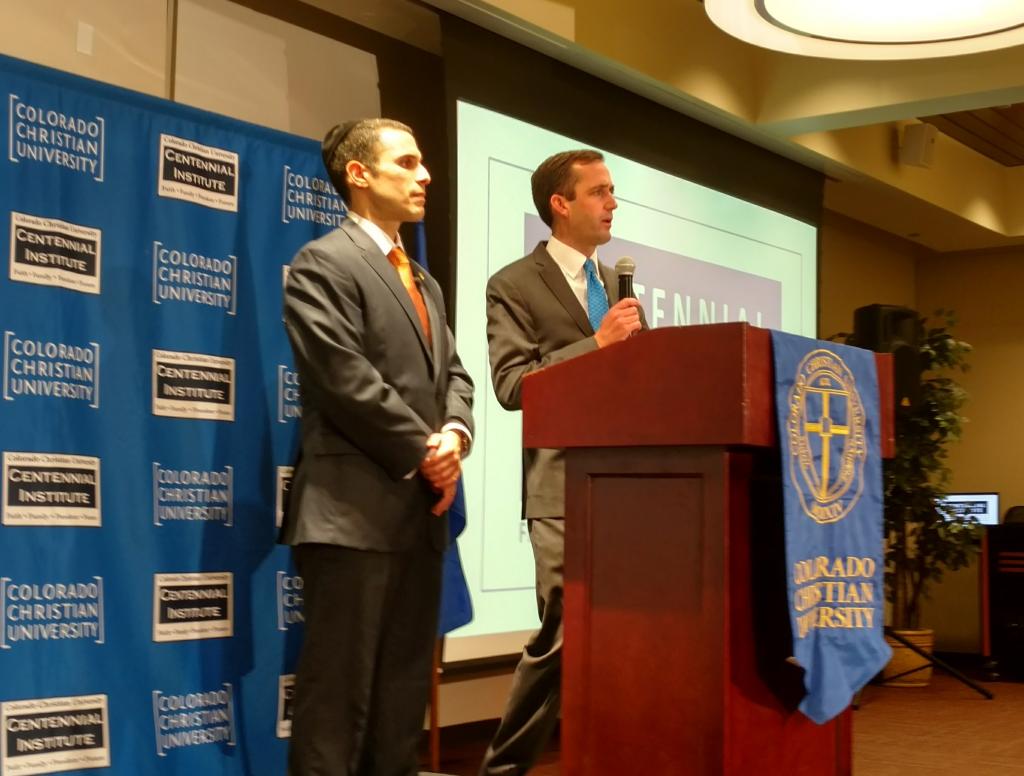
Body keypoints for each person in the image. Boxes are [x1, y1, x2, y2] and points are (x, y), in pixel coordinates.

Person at [281, 118, 474, 776]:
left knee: (398, 704)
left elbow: (455, 376)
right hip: (349, 517)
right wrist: (424, 447)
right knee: (337, 706)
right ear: (358, 175)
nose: (426, 176)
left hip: (418, 517)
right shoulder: (322, 263)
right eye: (408, 162)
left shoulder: (424, 280)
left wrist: (454, 434)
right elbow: (343, 377)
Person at [480, 149, 643, 774]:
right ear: (561, 203)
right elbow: (513, 385)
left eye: (612, 191)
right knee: (565, 633)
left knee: (627, 634)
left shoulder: (616, 287)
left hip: (630, 488)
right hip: (560, 485)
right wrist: (596, 345)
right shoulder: (514, 284)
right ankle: (502, 768)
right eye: (600, 191)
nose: (612, 203)